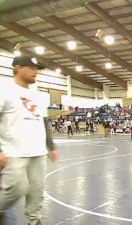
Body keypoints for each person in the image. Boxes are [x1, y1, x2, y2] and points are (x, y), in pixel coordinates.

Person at [0, 56, 59, 224]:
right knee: (17, 189)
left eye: (37, 69)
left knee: (36, 191)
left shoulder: (39, 96)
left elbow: (45, 123)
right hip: (14, 152)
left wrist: (51, 147)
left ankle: (34, 220)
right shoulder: (4, 90)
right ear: (18, 68)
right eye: (32, 68)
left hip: (38, 151)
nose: (36, 72)